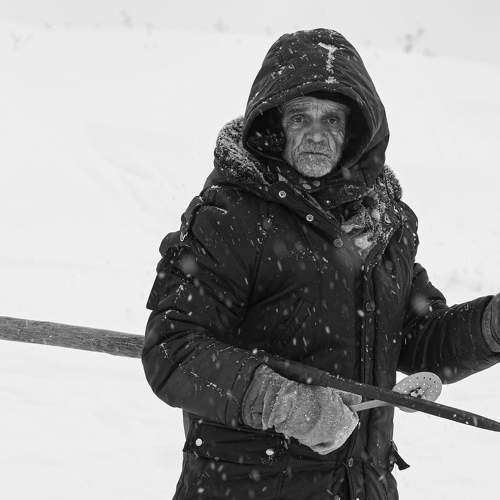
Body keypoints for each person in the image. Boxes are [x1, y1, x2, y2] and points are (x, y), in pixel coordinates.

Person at [142, 28, 500, 500]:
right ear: (274, 127)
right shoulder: (232, 217)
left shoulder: (384, 224)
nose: (316, 134)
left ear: (355, 133)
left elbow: (417, 337)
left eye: (332, 119)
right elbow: (173, 350)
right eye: (299, 117)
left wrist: (492, 325)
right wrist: (281, 401)